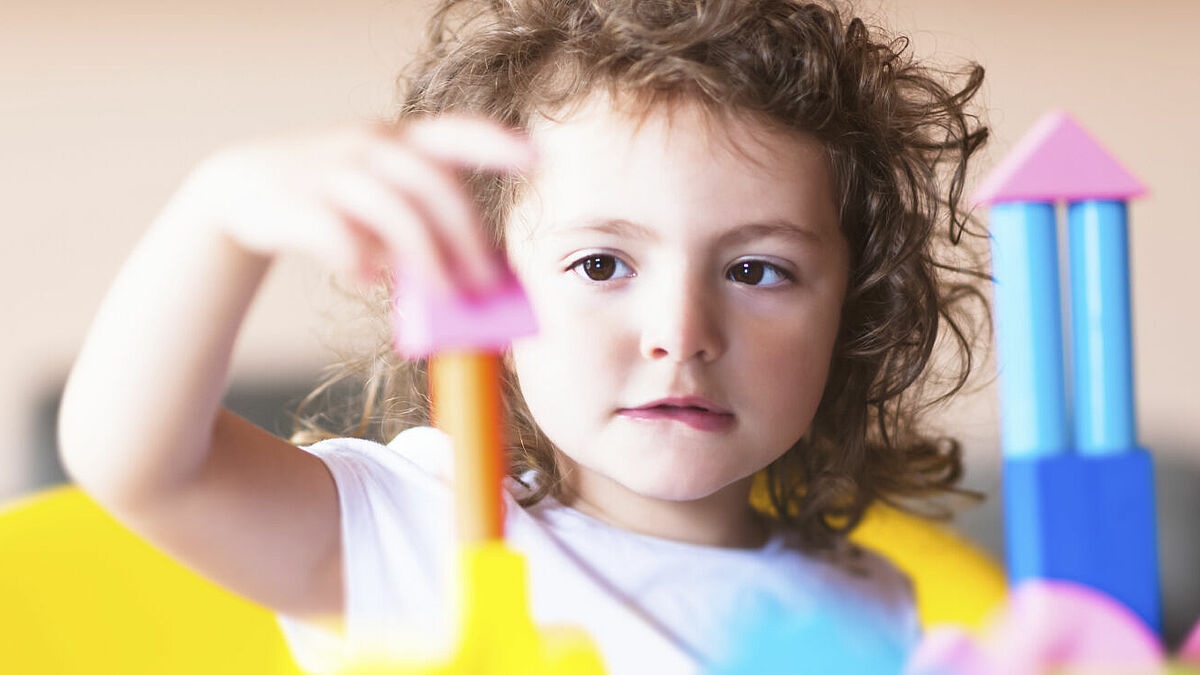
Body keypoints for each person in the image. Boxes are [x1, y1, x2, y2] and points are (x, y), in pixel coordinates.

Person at [58, 0, 989, 672]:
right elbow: (142, 465)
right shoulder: (407, 530)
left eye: (757, 271)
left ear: (856, 312)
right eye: (601, 265)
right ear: (492, 297)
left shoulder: (875, 605)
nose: (681, 334)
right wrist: (222, 214)